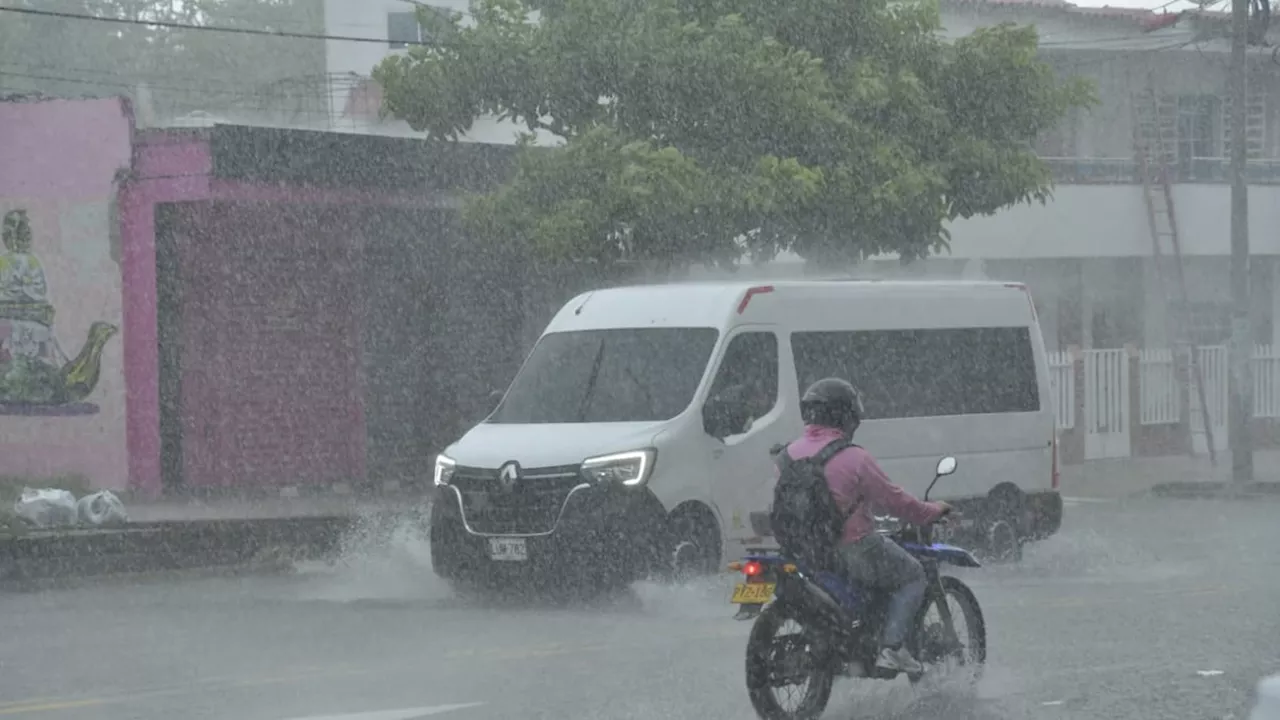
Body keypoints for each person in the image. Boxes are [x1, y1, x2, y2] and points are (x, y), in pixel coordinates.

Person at [782, 377, 952, 675]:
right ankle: (893, 648)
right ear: (846, 417)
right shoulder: (854, 457)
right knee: (913, 575)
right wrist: (931, 511)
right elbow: (895, 501)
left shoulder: (788, 455)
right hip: (853, 548)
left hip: (807, 552)